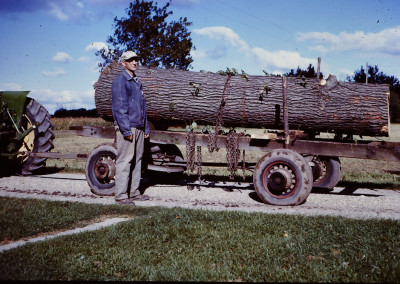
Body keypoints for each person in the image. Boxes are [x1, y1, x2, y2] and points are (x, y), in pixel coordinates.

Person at [112, 50, 150, 205]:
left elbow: (142, 107)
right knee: (125, 161)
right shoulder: (120, 82)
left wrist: (145, 128)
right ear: (123, 63)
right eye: (131, 60)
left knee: (137, 160)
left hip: (139, 127)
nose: (135, 62)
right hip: (128, 128)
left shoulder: (137, 81)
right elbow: (119, 108)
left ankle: (134, 193)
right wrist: (126, 130)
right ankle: (121, 196)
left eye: (136, 60)